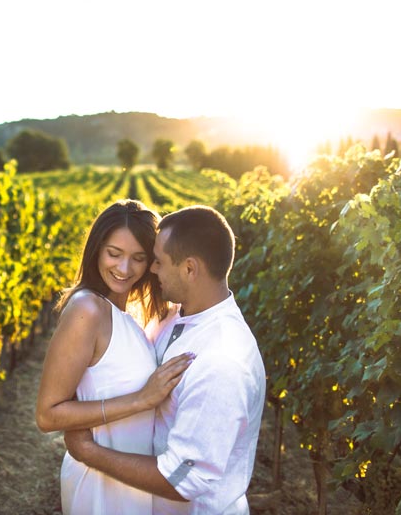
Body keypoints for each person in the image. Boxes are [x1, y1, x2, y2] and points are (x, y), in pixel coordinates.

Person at [64, 205, 266, 514]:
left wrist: (88, 452)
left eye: (158, 261)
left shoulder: (221, 362)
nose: (152, 270)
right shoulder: (177, 317)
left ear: (189, 269)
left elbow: (181, 481)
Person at [36, 200, 194, 515]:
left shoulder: (129, 314)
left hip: (131, 478)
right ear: (96, 249)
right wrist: (141, 400)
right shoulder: (88, 310)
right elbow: (47, 415)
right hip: (99, 484)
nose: (124, 269)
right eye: (114, 253)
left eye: (138, 258)